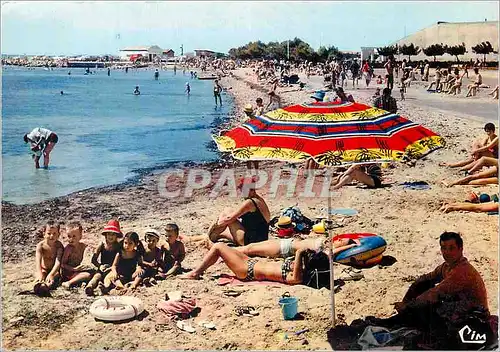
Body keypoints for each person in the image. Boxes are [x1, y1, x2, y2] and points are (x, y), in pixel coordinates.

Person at [372, 232, 489, 343]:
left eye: (451, 248)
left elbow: (434, 294)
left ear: (461, 249)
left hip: (475, 320)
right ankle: (394, 321)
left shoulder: (462, 271)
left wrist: (407, 307)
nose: (447, 252)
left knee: (426, 309)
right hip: (459, 310)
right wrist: (407, 301)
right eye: (443, 248)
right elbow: (424, 280)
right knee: (422, 303)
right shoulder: (447, 266)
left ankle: (393, 322)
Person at [180, 242, 320, 285]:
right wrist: (305, 254)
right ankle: (204, 264)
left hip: (247, 271)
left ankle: (195, 273)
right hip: (251, 263)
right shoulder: (299, 268)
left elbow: (295, 280)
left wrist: (299, 253)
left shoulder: (297, 276)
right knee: (222, 248)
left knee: (218, 247)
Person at [207, 176, 270, 246]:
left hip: (251, 241)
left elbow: (228, 219)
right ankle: (212, 235)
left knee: (226, 215)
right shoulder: (259, 199)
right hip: (261, 239)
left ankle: (210, 236)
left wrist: (215, 224)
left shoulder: (249, 203)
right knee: (228, 211)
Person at [85, 219, 122, 296]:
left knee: (110, 278)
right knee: (96, 277)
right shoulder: (102, 244)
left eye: (113, 234)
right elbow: (93, 260)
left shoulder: (118, 246)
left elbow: (119, 260)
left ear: (117, 236)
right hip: (103, 267)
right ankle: (90, 286)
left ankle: (105, 288)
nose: (110, 236)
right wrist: (100, 266)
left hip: (113, 268)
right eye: (109, 234)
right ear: (105, 234)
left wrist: (113, 268)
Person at [237, 236, 360, 259]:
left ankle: (223, 250)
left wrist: (351, 246)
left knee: (249, 250)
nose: (338, 240)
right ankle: (224, 249)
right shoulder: (326, 242)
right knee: (251, 247)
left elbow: (331, 254)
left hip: (283, 249)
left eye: (341, 242)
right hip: (286, 242)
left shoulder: (327, 251)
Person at [33, 221, 64, 296]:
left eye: (54, 234)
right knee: (39, 277)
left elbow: (58, 261)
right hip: (43, 268)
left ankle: (46, 287)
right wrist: (40, 273)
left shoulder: (59, 246)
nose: (51, 236)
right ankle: (37, 286)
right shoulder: (41, 246)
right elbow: (38, 261)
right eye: (49, 233)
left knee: (53, 278)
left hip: (54, 270)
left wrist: (52, 274)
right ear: (44, 234)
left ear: (58, 235)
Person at [60, 221, 93, 289]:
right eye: (69, 236)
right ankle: (69, 283)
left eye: (74, 236)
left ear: (80, 236)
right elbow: (62, 264)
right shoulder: (68, 249)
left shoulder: (83, 246)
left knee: (91, 273)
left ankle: (79, 282)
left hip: (77, 270)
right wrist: (73, 269)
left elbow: (90, 249)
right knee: (87, 275)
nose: (71, 239)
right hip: (68, 272)